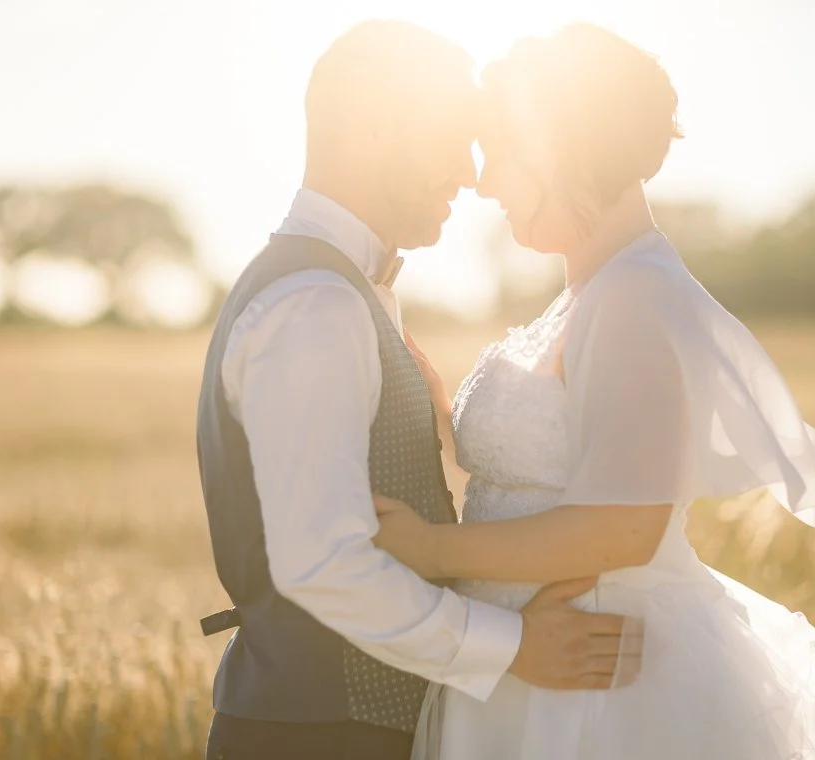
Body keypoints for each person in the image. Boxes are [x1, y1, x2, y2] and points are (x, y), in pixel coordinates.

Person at [372, 23, 815, 760]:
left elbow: (625, 527)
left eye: (501, 152)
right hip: (531, 663)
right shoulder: (595, 288)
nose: (484, 180)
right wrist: (440, 410)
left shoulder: (635, 297)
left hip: (601, 685)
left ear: (560, 148)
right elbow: (544, 467)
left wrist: (430, 550)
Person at [195, 20, 642, 760]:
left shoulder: (338, 288)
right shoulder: (316, 304)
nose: (470, 173)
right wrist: (515, 645)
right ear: (374, 128)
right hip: (319, 740)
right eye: (452, 138)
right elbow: (324, 562)